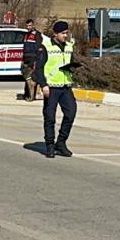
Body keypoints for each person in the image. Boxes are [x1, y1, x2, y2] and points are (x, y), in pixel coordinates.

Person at [40, 21, 79, 158]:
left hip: (65, 86)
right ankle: (50, 145)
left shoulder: (69, 47)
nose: (65, 35)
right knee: (50, 117)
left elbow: (70, 61)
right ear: (55, 33)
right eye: (63, 33)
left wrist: (73, 68)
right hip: (51, 87)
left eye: (67, 33)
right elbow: (38, 68)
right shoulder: (46, 47)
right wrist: (43, 84)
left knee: (71, 113)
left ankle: (61, 142)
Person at [19, 19, 42, 101]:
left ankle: (32, 96)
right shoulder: (26, 35)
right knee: (27, 78)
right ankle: (27, 94)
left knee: (32, 79)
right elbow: (24, 48)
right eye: (27, 26)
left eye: (30, 25)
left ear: (33, 25)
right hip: (26, 59)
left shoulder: (37, 35)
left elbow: (39, 49)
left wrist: (36, 61)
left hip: (33, 59)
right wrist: (22, 60)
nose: (28, 27)